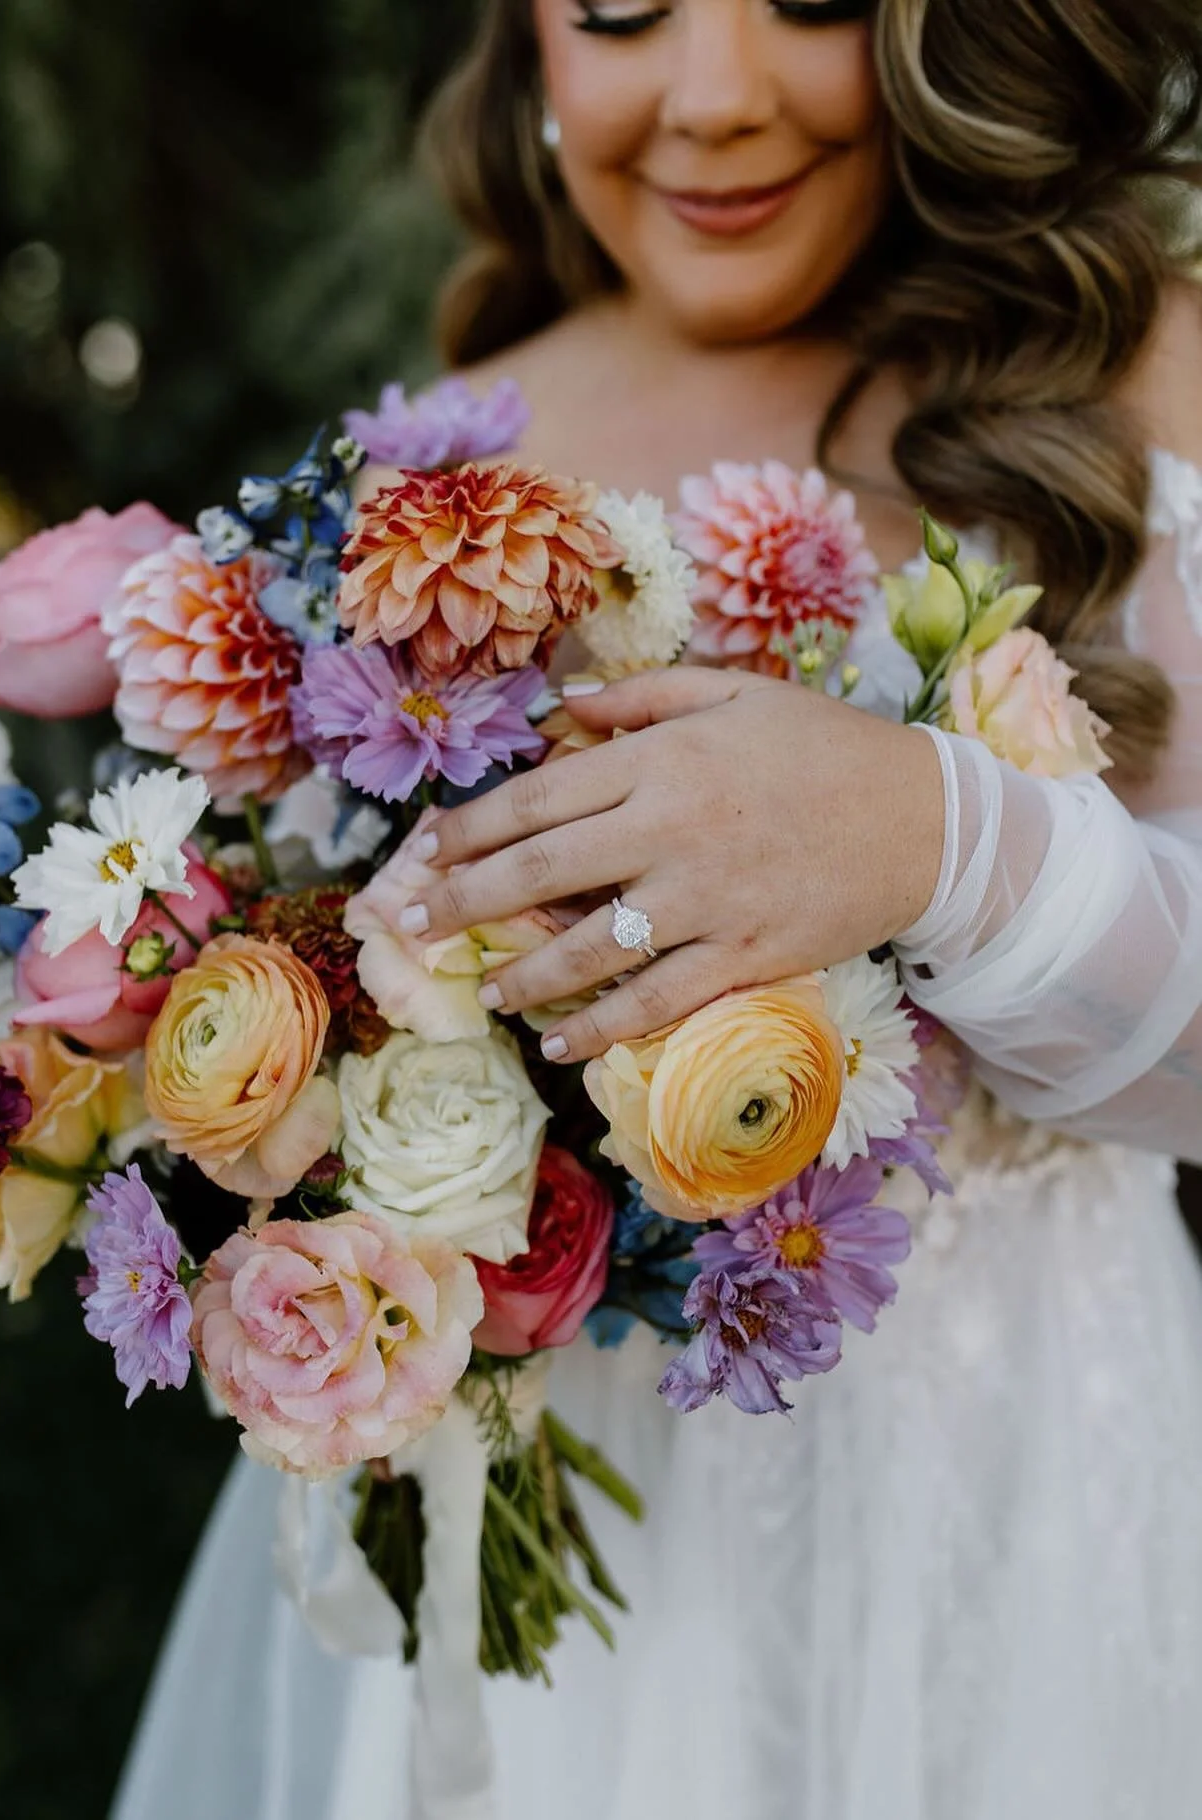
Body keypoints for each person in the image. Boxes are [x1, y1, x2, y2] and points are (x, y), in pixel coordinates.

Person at [111, 3, 1202, 1816]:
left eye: (813, 4)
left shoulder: (1138, 378)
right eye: (622, 6)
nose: (713, 99)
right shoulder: (442, 470)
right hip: (577, 1587)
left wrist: (929, 837)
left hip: (1028, 1517)